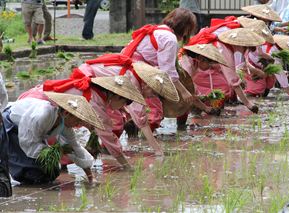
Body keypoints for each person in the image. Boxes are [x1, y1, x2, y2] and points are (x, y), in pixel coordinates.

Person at [19, 74, 147, 169]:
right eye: (124, 102)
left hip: (44, 103)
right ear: (115, 96)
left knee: (63, 147)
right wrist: (126, 165)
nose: (122, 106)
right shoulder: (95, 99)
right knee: (50, 150)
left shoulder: (98, 95)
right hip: (38, 104)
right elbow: (107, 135)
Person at [119, 8, 197, 132]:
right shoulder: (170, 39)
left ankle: (134, 136)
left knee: (129, 106)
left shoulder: (159, 30)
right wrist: (184, 91)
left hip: (127, 66)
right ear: (186, 28)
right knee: (153, 111)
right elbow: (168, 72)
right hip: (137, 71)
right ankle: (146, 142)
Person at [2, 92, 104, 184]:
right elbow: (29, 143)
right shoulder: (42, 115)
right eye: (77, 120)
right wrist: (59, 151)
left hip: (30, 134)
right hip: (12, 126)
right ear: (66, 113)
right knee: (32, 172)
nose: (78, 125)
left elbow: (75, 148)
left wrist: (90, 177)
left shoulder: (64, 124)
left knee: (52, 171)